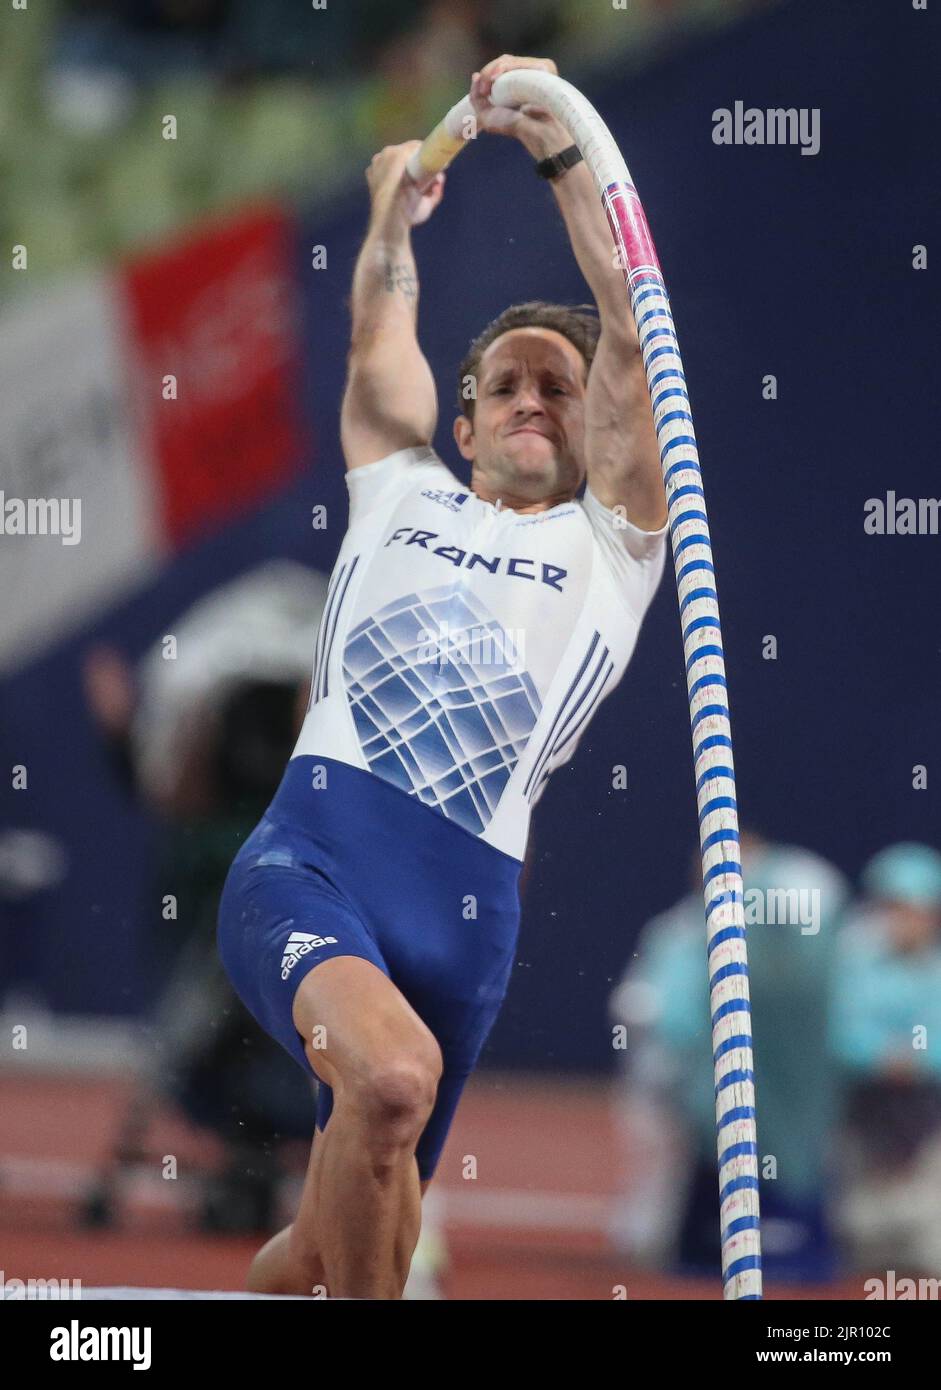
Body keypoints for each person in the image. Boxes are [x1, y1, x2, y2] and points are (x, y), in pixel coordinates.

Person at [217, 53, 669, 1299]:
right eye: (503, 385)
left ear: (595, 433)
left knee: (324, 1250)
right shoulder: (396, 484)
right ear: (459, 424)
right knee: (392, 1079)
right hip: (308, 861)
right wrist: (391, 207)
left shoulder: (613, 547)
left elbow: (634, 331)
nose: (530, 398)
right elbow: (379, 328)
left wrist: (560, 148)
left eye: (556, 389)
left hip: (465, 929)